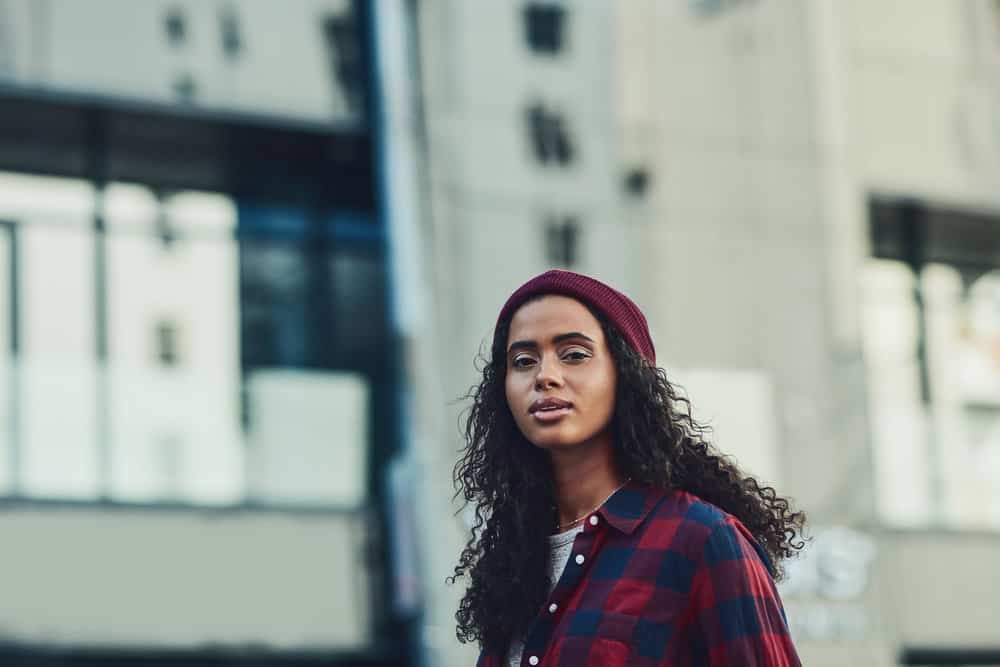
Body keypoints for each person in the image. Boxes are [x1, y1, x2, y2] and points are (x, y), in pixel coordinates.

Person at [449, 269, 805, 666]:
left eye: (574, 355)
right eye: (523, 361)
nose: (545, 376)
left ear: (627, 374)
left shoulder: (702, 540)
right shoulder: (515, 558)